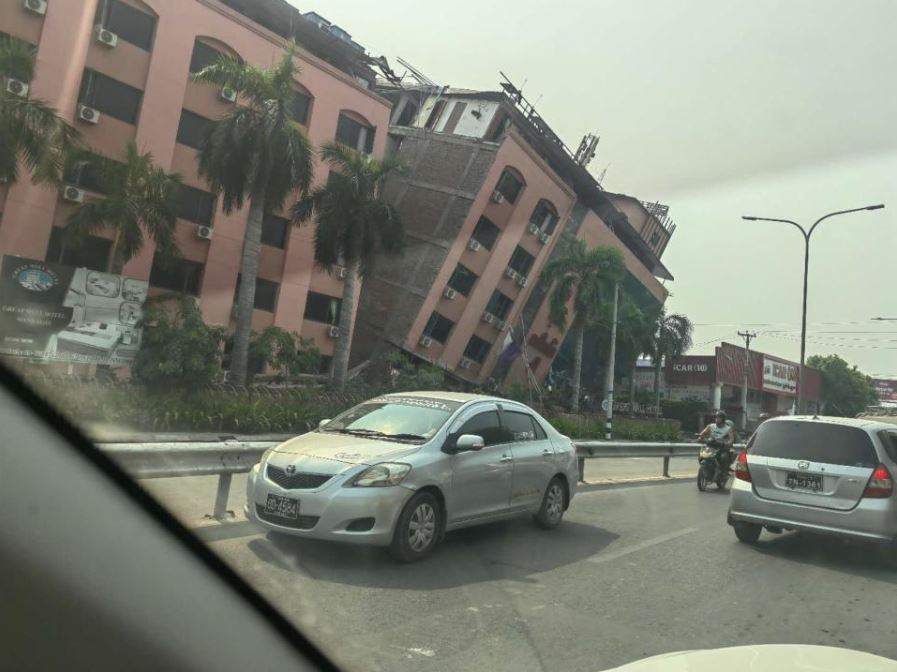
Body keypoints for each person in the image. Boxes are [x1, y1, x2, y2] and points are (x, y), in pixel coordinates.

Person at [699, 410, 735, 474]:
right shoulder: (711, 426)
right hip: (711, 445)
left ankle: (723, 472)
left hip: (721, 447)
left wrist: (727, 443)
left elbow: (731, 439)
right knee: (701, 456)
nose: (716, 419)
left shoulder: (728, 428)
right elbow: (703, 433)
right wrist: (701, 437)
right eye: (716, 417)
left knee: (723, 457)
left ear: (723, 419)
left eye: (719, 418)